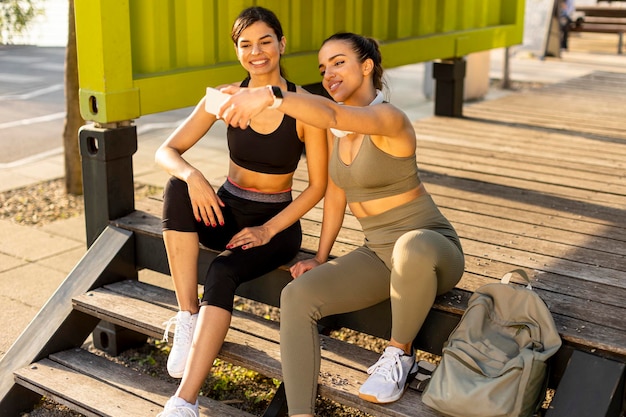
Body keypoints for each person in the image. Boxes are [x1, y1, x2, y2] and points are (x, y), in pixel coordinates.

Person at [219, 32, 465, 416]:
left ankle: (398, 355)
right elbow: (335, 195)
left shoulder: (390, 118)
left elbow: (330, 112)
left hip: (432, 248)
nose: (328, 73)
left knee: (410, 248)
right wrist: (321, 256)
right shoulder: (339, 133)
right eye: (322, 68)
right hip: (380, 255)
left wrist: (270, 96)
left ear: (366, 67)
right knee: (297, 296)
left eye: (338, 62)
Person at [154, 6, 327, 416]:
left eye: (266, 41)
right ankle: (187, 316)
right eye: (246, 44)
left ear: (282, 45)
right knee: (177, 186)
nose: (257, 51)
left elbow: (317, 186)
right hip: (227, 208)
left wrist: (268, 231)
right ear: (237, 51)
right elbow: (167, 150)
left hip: (276, 222)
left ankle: (184, 402)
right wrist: (194, 177)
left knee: (220, 271)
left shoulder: (304, 104)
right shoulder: (223, 96)